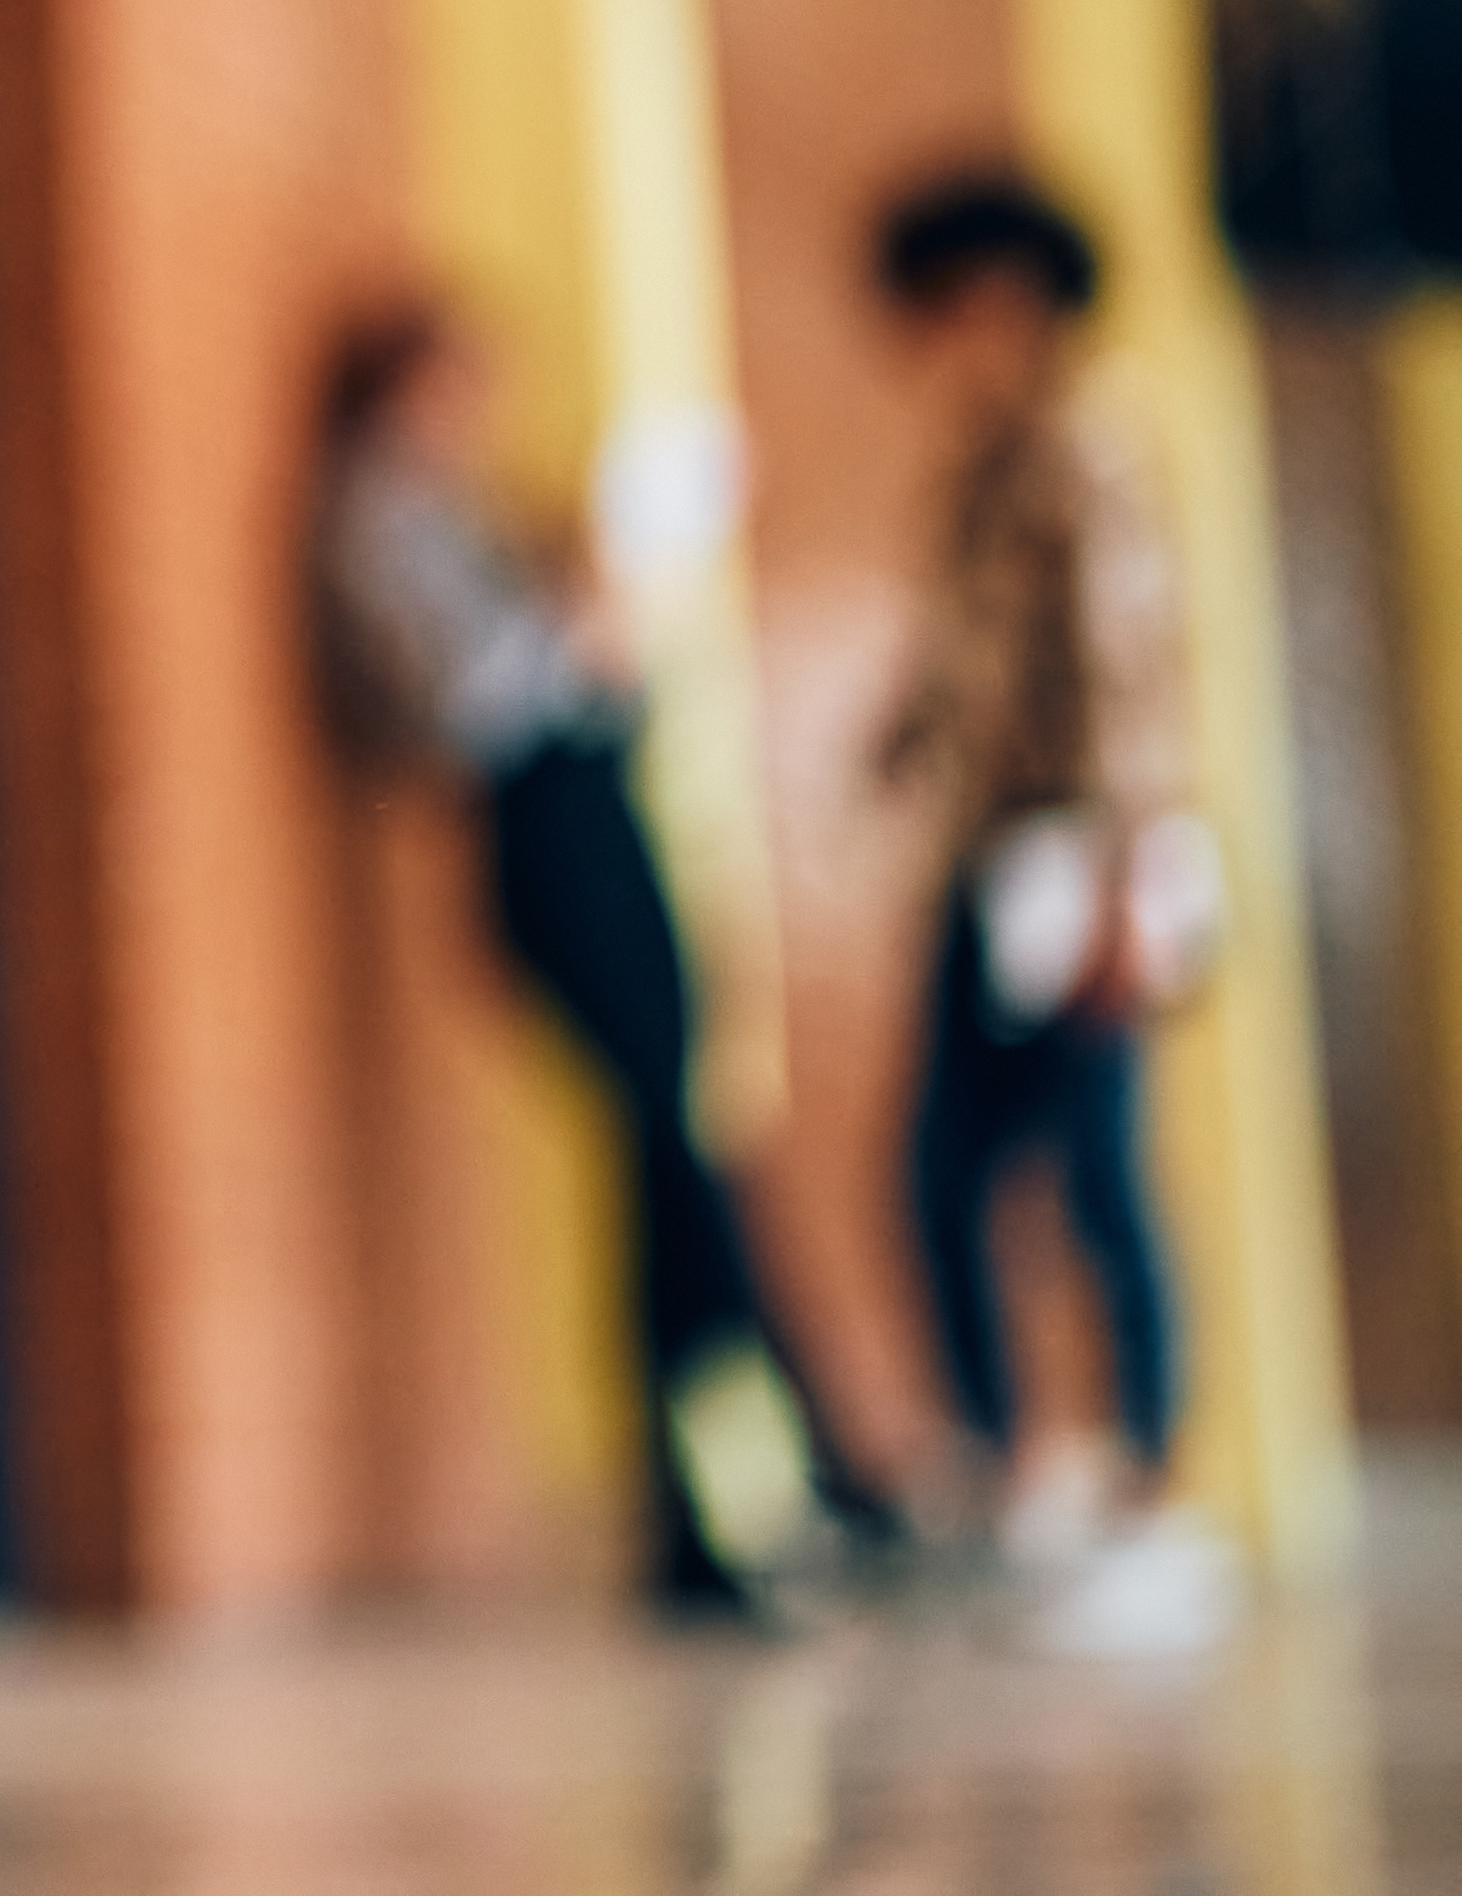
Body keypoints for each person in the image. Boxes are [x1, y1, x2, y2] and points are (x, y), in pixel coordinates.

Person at [311, 302, 834, 1612]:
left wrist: (596, 600)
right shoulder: (373, 517)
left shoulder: (473, 511)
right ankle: (743, 1482)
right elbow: (465, 704)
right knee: (668, 1161)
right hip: (545, 853)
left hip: (611, 833)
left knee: (682, 1160)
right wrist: (564, 601)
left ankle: (754, 1481)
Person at [868, 171, 1221, 1631]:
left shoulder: (1087, 448)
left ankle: (1148, 1483)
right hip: (987, 863)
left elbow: (1129, 674)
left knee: (1100, 1171)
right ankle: (1018, 1469)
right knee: (945, 1174)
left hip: (1080, 862)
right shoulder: (979, 466)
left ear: (1006, 299)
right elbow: (965, 670)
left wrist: (1137, 885)